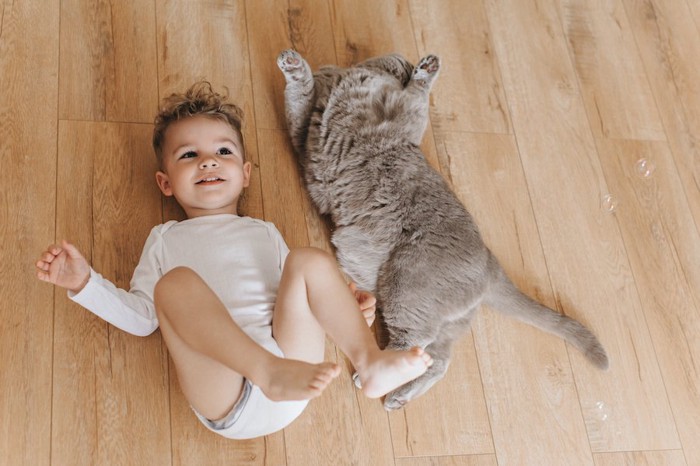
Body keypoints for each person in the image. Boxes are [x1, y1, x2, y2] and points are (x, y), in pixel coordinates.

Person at [35, 81, 432, 439]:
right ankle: (266, 371)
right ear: (166, 183)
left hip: (292, 368)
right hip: (228, 395)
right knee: (173, 285)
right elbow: (144, 319)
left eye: (222, 151)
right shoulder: (164, 239)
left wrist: (347, 314)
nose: (207, 161)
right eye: (189, 154)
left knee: (308, 260)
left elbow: (302, 304)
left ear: (244, 174)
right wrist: (85, 284)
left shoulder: (264, 232)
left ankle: (369, 360)